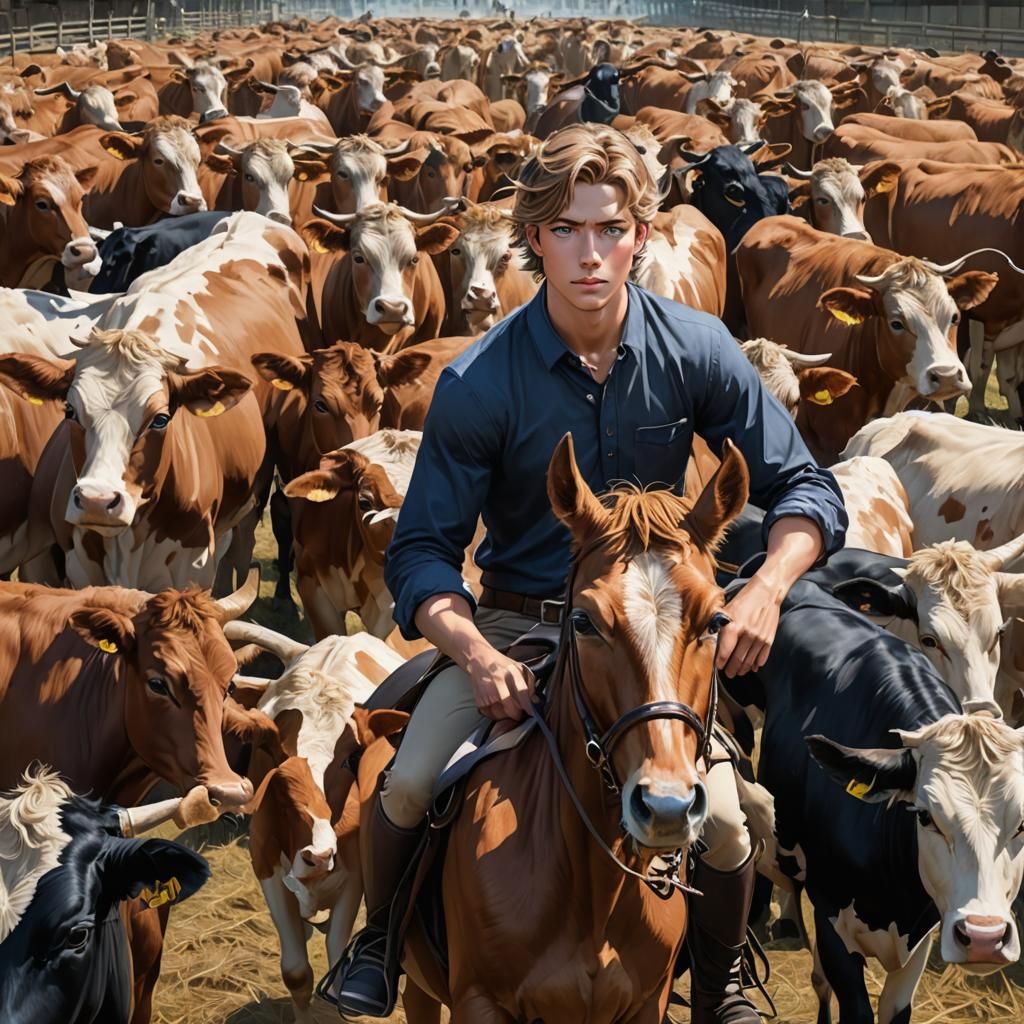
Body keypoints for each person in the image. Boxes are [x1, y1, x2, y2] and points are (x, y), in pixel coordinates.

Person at [333, 123, 848, 1021]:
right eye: (568, 230)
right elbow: (419, 552)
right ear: (535, 239)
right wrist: (473, 652)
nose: (590, 254)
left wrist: (765, 587)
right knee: (410, 779)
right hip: (513, 626)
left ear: (641, 235)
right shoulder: (480, 381)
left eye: (610, 229)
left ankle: (720, 980)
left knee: (726, 822)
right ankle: (381, 943)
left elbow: (806, 484)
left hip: (653, 631)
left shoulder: (699, 349)